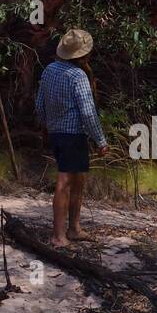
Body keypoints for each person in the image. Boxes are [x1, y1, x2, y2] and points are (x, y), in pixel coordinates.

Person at [35, 27, 108, 248]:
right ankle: (59, 236)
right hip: (72, 135)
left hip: (57, 133)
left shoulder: (49, 70)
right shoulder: (78, 76)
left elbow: (40, 104)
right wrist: (101, 140)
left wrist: (47, 125)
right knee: (65, 181)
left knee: (78, 179)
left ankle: (74, 228)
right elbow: (87, 112)